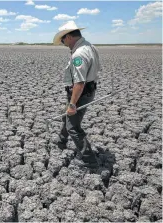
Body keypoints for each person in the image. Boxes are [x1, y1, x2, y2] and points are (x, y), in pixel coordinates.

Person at [52, 20, 101, 167]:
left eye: (63, 40)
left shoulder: (79, 54)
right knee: (67, 116)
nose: (63, 43)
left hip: (80, 94)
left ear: (69, 37)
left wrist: (72, 104)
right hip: (87, 91)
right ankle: (61, 141)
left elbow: (79, 83)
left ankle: (90, 161)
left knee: (73, 127)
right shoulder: (90, 47)